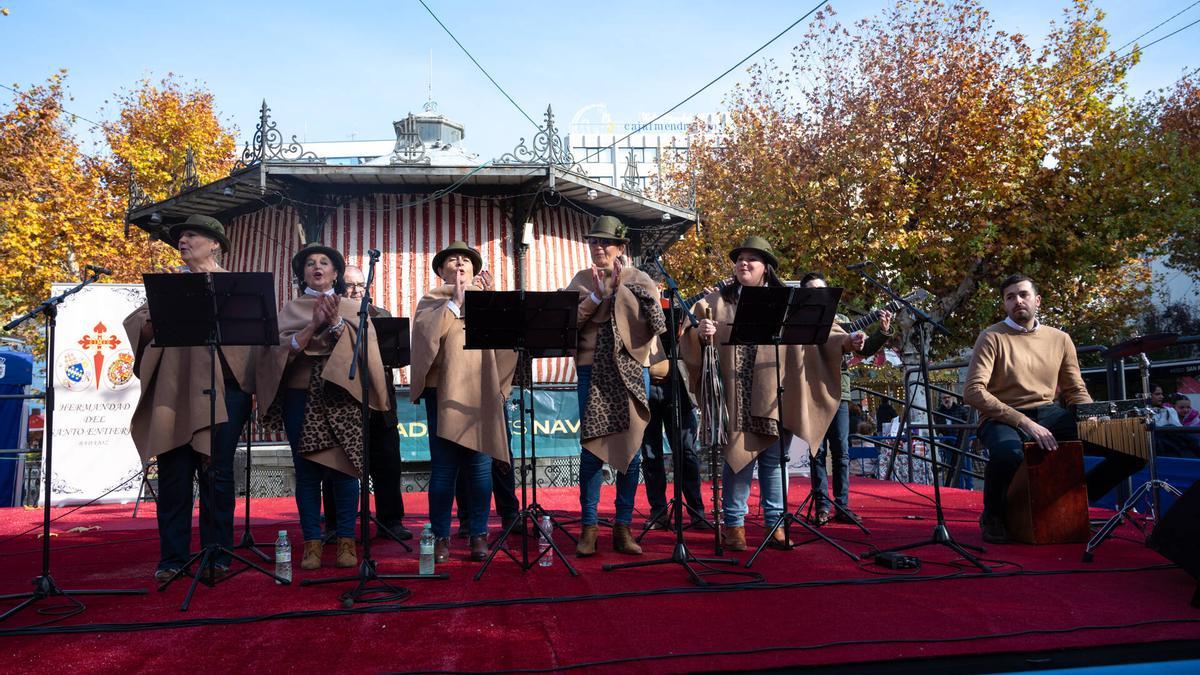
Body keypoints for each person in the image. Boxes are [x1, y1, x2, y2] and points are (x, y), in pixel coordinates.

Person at [681, 237, 859, 552]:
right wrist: (700, 333)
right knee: (738, 460)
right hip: (736, 393)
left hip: (775, 391)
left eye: (752, 259)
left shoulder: (787, 302)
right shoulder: (717, 300)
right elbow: (689, 332)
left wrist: (848, 342)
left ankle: (775, 524)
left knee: (775, 461)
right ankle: (734, 525)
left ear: (766, 268)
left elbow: (824, 332)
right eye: (740, 259)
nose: (743, 263)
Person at [124, 214, 274, 582]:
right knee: (174, 474)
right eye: (181, 237)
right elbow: (141, 327)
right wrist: (157, 313)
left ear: (215, 244)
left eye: (192, 235)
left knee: (217, 473)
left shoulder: (238, 288)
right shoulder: (169, 286)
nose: (183, 241)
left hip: (228, 392)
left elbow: (256, 342)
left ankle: (217, 555)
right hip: (175, 393)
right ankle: (172, 559)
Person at [965, 274, 1146, 544]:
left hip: (1049, 413)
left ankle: (1070, 500)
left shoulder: (1060, 339)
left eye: (1023, 294)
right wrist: (1024, 422)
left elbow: (1075, 389)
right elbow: (972, 391)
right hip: (1002, 416)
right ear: (1004, 304)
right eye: (1010, 297)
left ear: (1037, 300)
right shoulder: (991, 336)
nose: (1017, 301)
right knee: (1007, 455)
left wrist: (1090, 416)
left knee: (1132, 449)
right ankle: (993, 515)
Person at [263, 243, 390, 571]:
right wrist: (311, 326)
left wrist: (335, 324)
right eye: (310, 263)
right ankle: (312, 542)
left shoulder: (353, 308)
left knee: (345, 469)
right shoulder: (291, 309)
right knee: (306, 473)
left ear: (336, 273)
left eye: (324, 262)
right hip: (299, 396)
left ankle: (347, 539)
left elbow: (367, 352)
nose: (316, 267)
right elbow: (275, 353)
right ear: (302, 273)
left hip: (341, 396)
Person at [410, 241, 517, 562]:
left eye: (465, 261)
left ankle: (478, 534)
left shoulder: (487, 300)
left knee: (480, 468)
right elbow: (425, 341)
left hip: (481, 392)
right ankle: (441, 536)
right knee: (444, 469)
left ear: (474, 270)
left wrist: (492, 301)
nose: (459, 264)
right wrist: (455, 305)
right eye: (452, 260)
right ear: (441, 271)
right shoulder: (432, 300)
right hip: (441, 392)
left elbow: (506, 345)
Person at [565, 216, 664, 557]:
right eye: (594, 241)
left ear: (621, 247)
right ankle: (589, 527)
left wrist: (623, 292)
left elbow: (655, 324)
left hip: (632, 370)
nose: (598, 247)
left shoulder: (640, 279)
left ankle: (623, 527)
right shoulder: (581, 280)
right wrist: (597, 296)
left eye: (605, 242)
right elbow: (567, 324)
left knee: (631, 449)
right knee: (592, 448)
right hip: (590, 368)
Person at [320, 265, 412, 542]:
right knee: (338, 464)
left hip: (379, 399)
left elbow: (396, 355)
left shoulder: (380, 315)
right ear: (339, 287)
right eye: (350, 285)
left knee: (387, 461)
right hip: (342, 400)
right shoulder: (329, 314)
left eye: (361, 284)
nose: (357, 290)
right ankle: (336, 525)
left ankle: (390, 521)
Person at [799, 271, 892, 526]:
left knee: (841, 450)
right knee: (817, 451)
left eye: (821, 290)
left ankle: (842, 506)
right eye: (811, 290)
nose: (817, 294)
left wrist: (883, 331)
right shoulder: (798, 321)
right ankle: (821, 507)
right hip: (809, 391)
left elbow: (864, 350)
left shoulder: (841, 320)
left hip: (839, 392)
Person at [640, 328, 709, 531]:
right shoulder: (639, 308)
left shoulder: (680, 309)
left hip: (678, 386)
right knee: (650, 454)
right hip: (645, 385)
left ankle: (696, 511)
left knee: (686, 451)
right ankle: (659, 512)